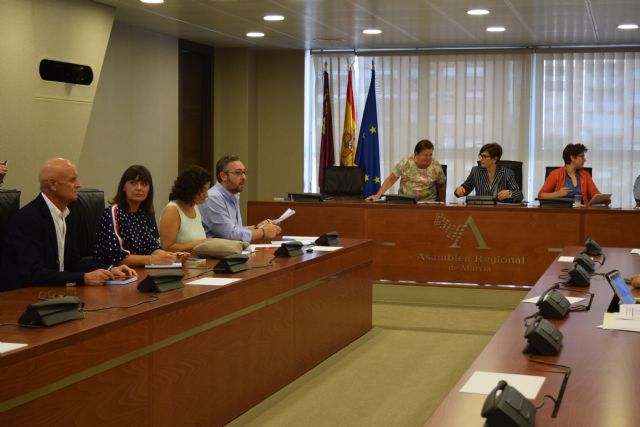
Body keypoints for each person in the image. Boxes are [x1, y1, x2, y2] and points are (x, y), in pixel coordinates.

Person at [0, 158, 135, 291]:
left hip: (55, 293)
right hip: (23, 297)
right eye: (72, 180)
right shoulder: (27, 219)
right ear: (53, 184)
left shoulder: (68, 214)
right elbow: (33, 273)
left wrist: (110, 269)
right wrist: (83, 278)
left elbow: (73, 261)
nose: (78, 184)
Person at [94, 165, 180, 267]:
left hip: (141, 270)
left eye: (144, 184)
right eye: (133, 183)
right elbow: (116, 258)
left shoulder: (146, 213)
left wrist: (170, 257)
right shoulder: (113, 212)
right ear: (123, 187)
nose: (139, 188)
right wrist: (152, 259)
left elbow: (153, 248)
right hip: (114, 275)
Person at [201, 155, 281, 243]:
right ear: (223, 176)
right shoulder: (213, 198)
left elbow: (236, 229)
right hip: (214, 255)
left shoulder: (233, 195)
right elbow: (230, 234)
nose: (244, 177)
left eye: (244, 172)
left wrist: (259, 226)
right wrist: (262, 232)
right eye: (238, 173)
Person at [366, 139, 446, 202]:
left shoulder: (435, 165)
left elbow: (441, 186)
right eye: (425, 155)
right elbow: (390, 180)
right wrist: (378, 195)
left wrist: (443, 203)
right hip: (406, 202)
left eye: (430, 154)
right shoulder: (406, 162)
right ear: (417, 154)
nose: (428, 158)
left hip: (428, 203)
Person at [538, 143, 610, 206]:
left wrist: (603, 199)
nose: (585, 160)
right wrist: (558, 194)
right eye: (582, 156)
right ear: (572, 158)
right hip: (560, 212)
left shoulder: (585, 175)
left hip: (581, 212)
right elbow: (541, 195)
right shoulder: (555, 174)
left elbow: (594, 194)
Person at [159, 166, 211, 252]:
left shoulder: (195, 207)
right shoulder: (172, 210)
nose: (206, 195)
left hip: (197, 261)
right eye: (203, 190)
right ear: (191, 189)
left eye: (207, 190)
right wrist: (201, 242)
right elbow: (167, 247)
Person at [455, 143, 523, 202]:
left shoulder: (507, 173)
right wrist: (458, 191)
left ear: (494, 159)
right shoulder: (476, 171)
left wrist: (509, 193)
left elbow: (519, 195)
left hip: (500, 212)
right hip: (481, 211)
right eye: (481, 156)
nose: (481, 159)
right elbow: (464, 189)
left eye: (485, 156)